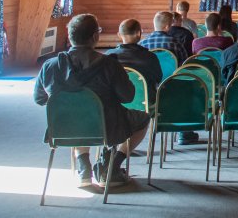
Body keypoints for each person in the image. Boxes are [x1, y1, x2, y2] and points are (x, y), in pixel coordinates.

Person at [35, 14, 149, 188]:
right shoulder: (109, 65)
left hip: (64, 126)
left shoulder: (49, 66)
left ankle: (84, 169)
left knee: (78, 115)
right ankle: (113, 166)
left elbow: (39, 99)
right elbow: (128, 97)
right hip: (106, 126)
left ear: (70, 36)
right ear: (95, 36)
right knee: (143, 119)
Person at [106, 18, 162, 102]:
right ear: (139, 33)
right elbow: (158, 78)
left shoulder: (108, 56)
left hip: (116, 103)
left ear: (119, 34)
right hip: (146, 101)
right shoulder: (150, 57)